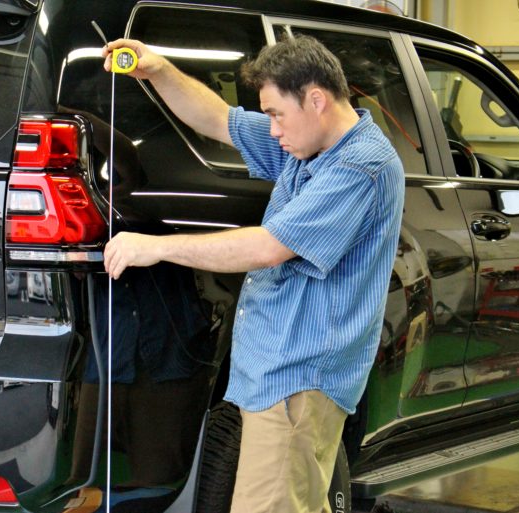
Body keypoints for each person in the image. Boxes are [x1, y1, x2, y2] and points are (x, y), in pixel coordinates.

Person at [101, 34, 405, 513]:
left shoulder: (358, 167)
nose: (272, 129)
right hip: (275, 373)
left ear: (316, 100)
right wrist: (159, 70)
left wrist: (156, 247)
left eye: (276, 115)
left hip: (299, 379)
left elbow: (267, 248)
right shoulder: (309, 143)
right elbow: (217, 119)